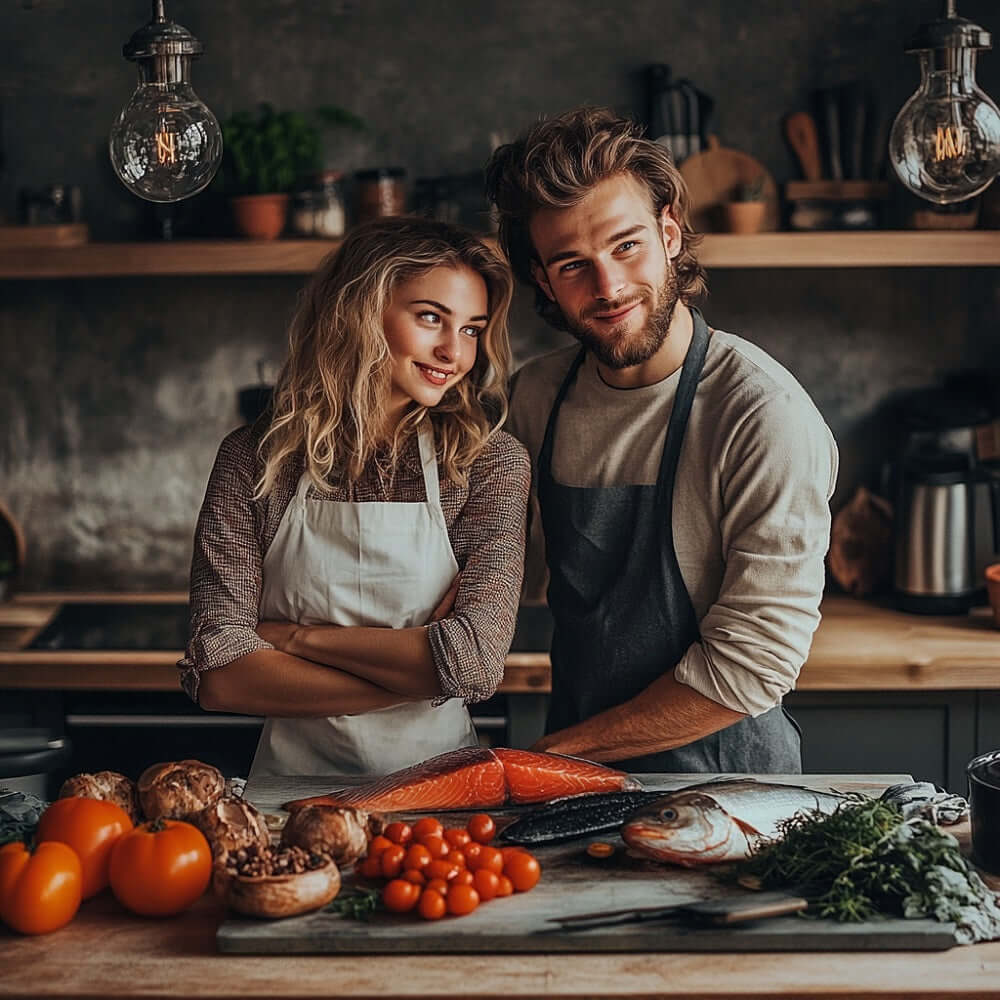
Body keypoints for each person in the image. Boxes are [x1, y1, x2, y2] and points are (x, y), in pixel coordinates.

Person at [485, 107, 838, 773]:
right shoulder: (532, 399)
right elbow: (495, 573)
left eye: (627, 246)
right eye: (572, 265)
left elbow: (751, 666)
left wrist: (551, 757)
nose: (609, 287)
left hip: (732, 797)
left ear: (670, 230)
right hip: (578, 790)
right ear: (543, 282)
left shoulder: (761, 414)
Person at [178, 217, 530, 779]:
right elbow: (219, 674)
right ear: (360, 311)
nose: (454, 352)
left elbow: (475, 664)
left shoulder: (486, 465)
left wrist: (294, 638)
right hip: (287, 803)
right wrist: (418, 668)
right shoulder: (254, 459)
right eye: (431, 317)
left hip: (440, 802)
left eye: (471, 329)